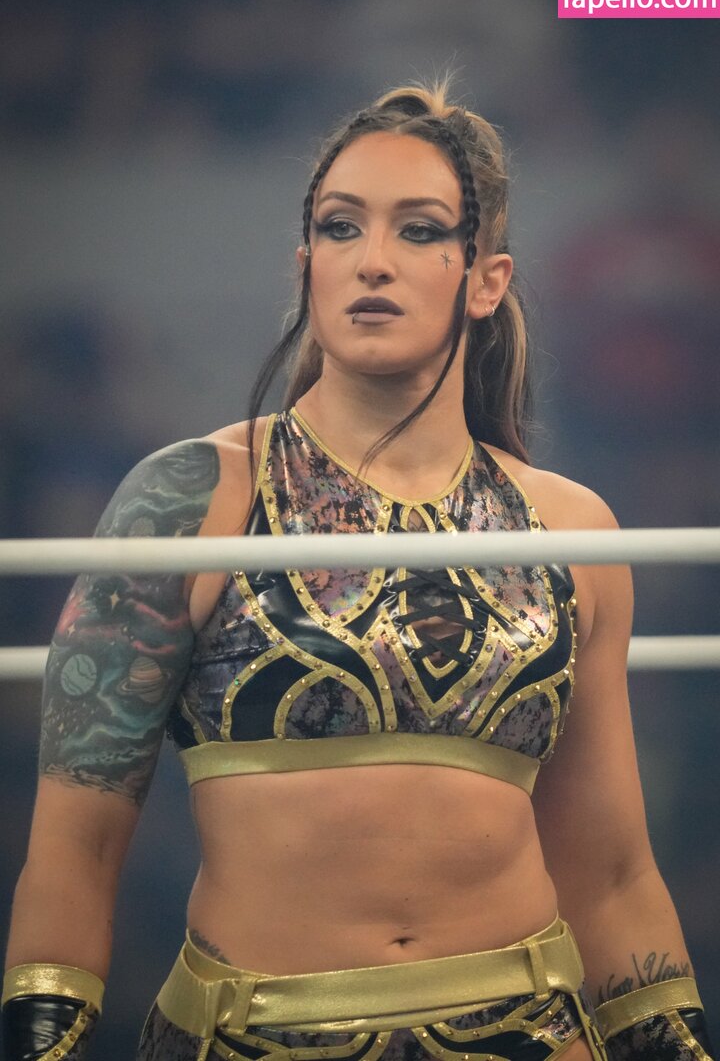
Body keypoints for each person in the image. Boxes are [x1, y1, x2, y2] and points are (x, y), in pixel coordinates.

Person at [2, 81, 714, 1061]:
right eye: (341, 227)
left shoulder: (566, 527)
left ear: (486, 280)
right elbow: (75, 846)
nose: (372, 260)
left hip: (530, 1033)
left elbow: (616, 876)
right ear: (307, 268)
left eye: (418, 231)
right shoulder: (190, 499)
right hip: (251, 1035)